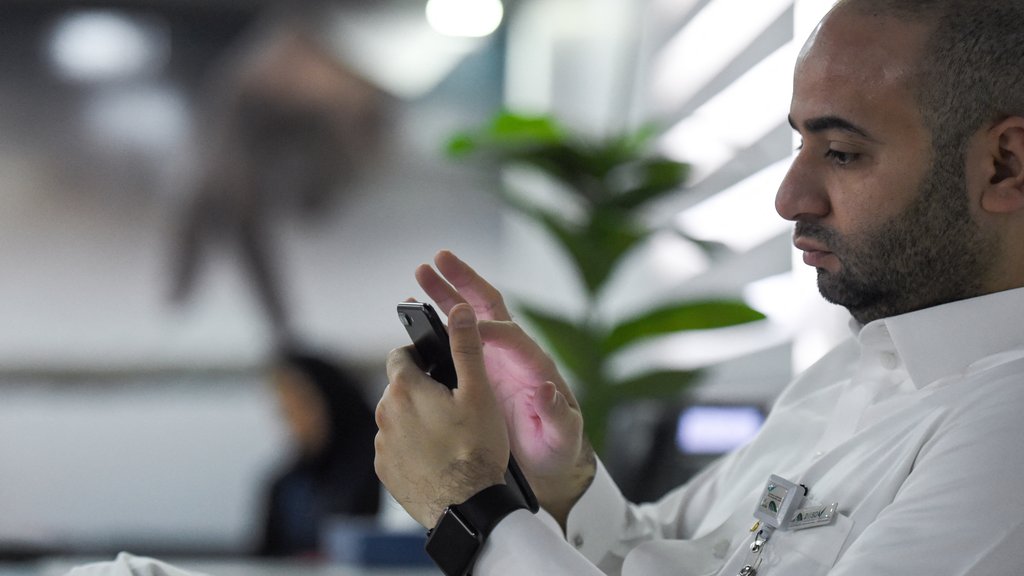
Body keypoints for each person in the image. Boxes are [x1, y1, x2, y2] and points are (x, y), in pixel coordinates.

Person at [373, 1, 1024, 575]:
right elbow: (661, 553)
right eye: (800, 144)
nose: (789, 198)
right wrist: (562, 479)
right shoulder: (847, 376)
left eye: (842, 153)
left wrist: (472, 510)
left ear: (1006, 166)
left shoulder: (1007, 428)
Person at [258, 346, 380, 557]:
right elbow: (263, 559)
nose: (294, 419)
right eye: (286, 409)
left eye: (301, 404)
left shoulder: (378, 469)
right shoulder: (285, 485)